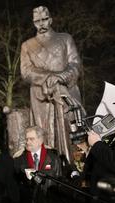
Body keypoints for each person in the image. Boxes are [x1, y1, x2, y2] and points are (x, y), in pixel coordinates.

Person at [20, 5, 84, 162]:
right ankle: (45, 165)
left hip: (64, 92)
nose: (41, 24)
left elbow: (75, 64)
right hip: (40, 96)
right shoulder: (27, 45)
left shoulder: (65, 38)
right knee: (43, 131)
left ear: (50, 20)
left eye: (44, 20)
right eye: (37, 21)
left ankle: (71, 167)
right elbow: (26, 72)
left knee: (69, 131)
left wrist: (61, 77)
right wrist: (49, 77)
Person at [14, 126, 63, 203]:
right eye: (27, 139)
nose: (28, 142)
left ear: (40, 140)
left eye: (31, 139)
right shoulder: (18, 160)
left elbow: (60, 182)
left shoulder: (54, 158)